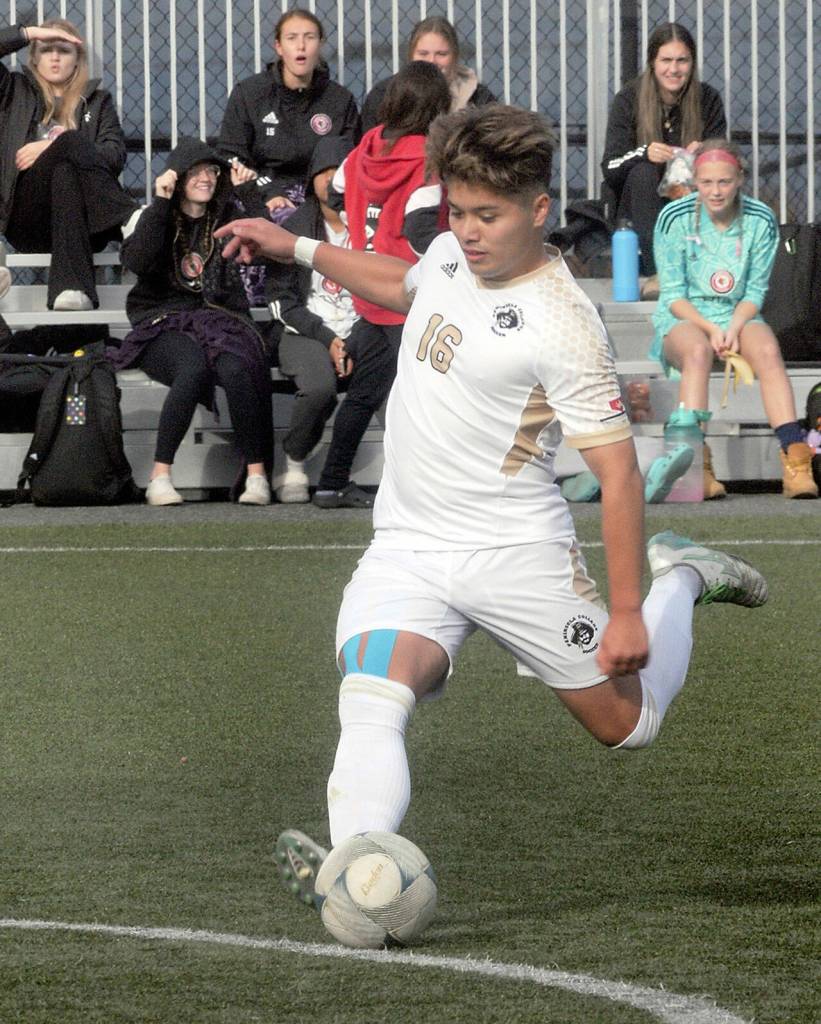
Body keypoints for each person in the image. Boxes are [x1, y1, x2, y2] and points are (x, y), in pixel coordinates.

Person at [214, 105, 770, 898]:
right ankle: (364, 878)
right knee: (371, 695)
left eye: (488, 216)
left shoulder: (564, 323)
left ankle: (681, 575)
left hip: (516, 552)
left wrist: (625, 611)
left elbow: (616, 473)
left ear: (538, 210)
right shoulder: (447, 252)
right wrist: (294, 245)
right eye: (458, 211)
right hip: (408, 545)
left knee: (629, 726)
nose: (467, 232)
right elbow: (403, 284)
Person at [311, 61, 451, 509]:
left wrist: (361, 223)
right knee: (425, 400)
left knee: (365, 394)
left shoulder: (366, 146)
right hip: (407, 294)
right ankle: (429, 488)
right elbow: (420, 230)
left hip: (368, 291)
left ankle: (331, 482)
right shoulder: (428, 158)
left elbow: (334, 190)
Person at [110, 138, 273, 506]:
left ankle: (257, 476)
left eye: (211, 171)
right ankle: (160, 477)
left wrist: (248, 192)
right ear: (179, 177)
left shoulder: (228, 216)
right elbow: (137, 261)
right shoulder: (156, 215)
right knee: (192, 368)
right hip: (162, 320)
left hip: (219, 318)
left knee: (238, 367)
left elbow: (269, 245)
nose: (206, 178)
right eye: (196, 171)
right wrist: (161, 202)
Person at [652, 139, 818, 500]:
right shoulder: (673, 218)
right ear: (695, 180)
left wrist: (733, 326)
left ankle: (795, 460)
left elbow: (754, 292)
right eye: (707, 182)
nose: (715, 191)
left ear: (740, 178)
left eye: (724, 182)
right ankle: (696, 465)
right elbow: (673, 296)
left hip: (738, 315)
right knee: (697, 352)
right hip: (687, 316)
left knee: (769, 351)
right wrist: (711, 329)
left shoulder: (760, 218)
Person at [0, 19, 136, 310]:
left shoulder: (97, 102)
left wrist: (52, 147)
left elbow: (115, 156)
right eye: (46, 49)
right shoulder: (12, 91)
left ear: (77, 59)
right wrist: (27, 33)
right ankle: (127, 217)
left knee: (66, 163)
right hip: (28, 222)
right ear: (34, 57)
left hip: (88, 223)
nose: (55, 57)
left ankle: (71, 291)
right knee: (69, 143)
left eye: (64, 50)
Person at [601, 22, 726, 286]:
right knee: (643, 172)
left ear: (692, 63)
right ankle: (660, 272)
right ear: (652, 62)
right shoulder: (628, 99)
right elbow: (610, 168)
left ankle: (708, 264)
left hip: (690, 198)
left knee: (713, 177)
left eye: (682, 60)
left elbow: (725, 163)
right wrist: (644, 153)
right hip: (638, 207)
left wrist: (704, 154)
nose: (674, 69)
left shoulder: (708, 99)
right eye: (666, 60)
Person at [267, 135, 355, 503]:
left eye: (340, 170)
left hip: (361, 329)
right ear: (312, 178)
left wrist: (355, 337)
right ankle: (294, 459)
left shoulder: (370, 226)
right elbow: (280, 300)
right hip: (304, 330)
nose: (332, 179)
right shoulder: (295, 226)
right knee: (320, 387)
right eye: (324, 171)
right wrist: (328, 338)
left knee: (391, 378)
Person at [218, 8, 359, 219]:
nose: (301, 46)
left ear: (320, 44)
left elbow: (350, 160)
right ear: (279, 47)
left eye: (309, 37)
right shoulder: (249, 94)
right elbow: (231, 156)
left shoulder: (340, 100)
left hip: (321, 199)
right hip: (261, 193)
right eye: (292, 38)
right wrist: (268, 191)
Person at [361, 15, 496, 134]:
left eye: (441, 54)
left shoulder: (479, 98)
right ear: (411, 56)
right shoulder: (384, 95)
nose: (432, 61)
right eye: (423, 54)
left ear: (455, 56)